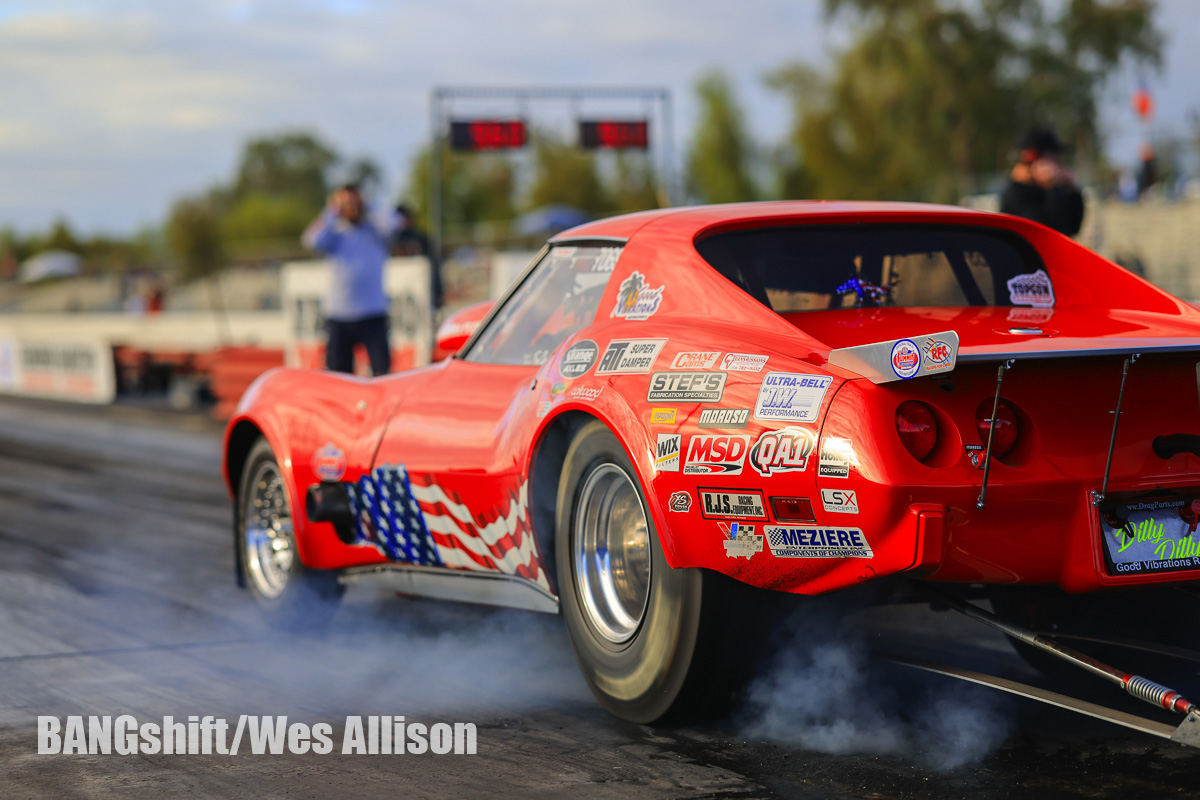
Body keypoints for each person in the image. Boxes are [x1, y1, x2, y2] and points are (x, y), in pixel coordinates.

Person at [302, 184, 394, 376]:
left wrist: (368, 204)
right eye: (346, 203)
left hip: (373, 313)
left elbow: (394, 223)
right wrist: (332, 210)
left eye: (355, 202)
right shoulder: (334, 234)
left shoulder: (375, 231)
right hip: (339, 316)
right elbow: (311, 240)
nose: (351, 207)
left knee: (382, 373)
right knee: (339, 377)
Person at [999, 126, 1085, 237]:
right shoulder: (1014, 194)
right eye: (1052, 159)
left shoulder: (1048, 189)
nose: (1057, 165)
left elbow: (1073, 227)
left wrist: (1072, 193)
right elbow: (1048, 234)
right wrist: (1052, 187)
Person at [391, 203, 444, 311]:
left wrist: (438, 293)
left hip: (420, 293)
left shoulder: (421, 239)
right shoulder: (388, 239)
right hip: (396, 295)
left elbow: (434, 265)